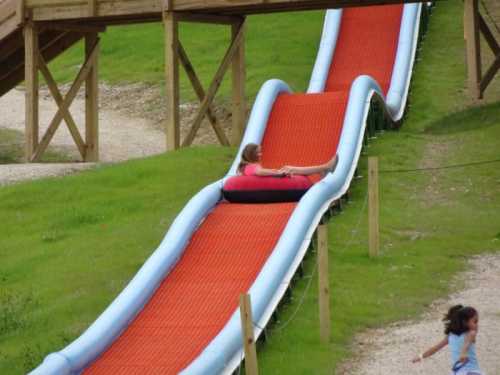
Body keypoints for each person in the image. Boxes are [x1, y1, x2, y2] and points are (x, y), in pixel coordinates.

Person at [412, 305, 483, 375]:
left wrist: (463, 352)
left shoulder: (465, 334)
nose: (477, 325)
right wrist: (421, 356)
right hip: (468, 372)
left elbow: (467, 343)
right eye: (475, 321)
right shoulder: (459, 335)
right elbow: (435, 348)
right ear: (464, 322)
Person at [237, 143, 339, 177]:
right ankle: (326, 167)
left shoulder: (245, 167)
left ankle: (322, 169)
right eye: (258, 153)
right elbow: (259, 172)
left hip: (274, 178)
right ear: (251, 155)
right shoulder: (251, 167)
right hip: (276, 180)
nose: (261, 154)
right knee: (290, 169)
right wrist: (277, 173)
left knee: (288, 168)